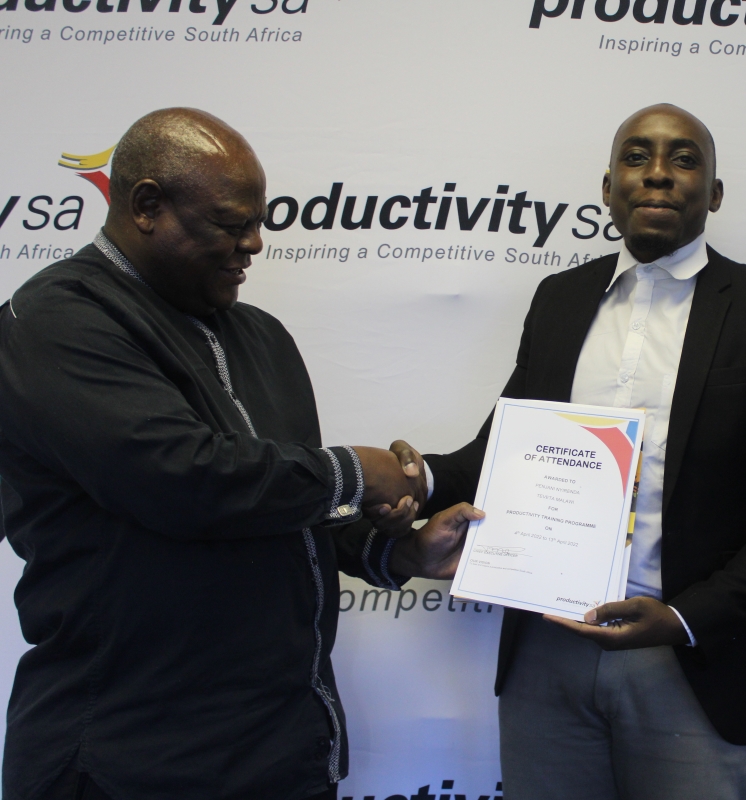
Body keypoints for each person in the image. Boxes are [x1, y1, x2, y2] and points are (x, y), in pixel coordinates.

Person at [0, 108, 482, 800]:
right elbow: (182, 479)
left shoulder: (261, 335)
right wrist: (356, 471)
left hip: (279, 749)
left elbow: (281, 507)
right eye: (230, 223)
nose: (254, 243)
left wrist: (398, 552)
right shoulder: (57, 318)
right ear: (146, 207)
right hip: (131, 756)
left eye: (258, 222)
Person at [414, 104, 746, 800]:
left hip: (698, 659)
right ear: (608, 186)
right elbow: (504, 451)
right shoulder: (559, 299)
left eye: (684, 160)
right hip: (547, 649)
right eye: (637, 157)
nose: (658, 174)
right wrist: (417, 478)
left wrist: (686, 618)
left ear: (715, 193)